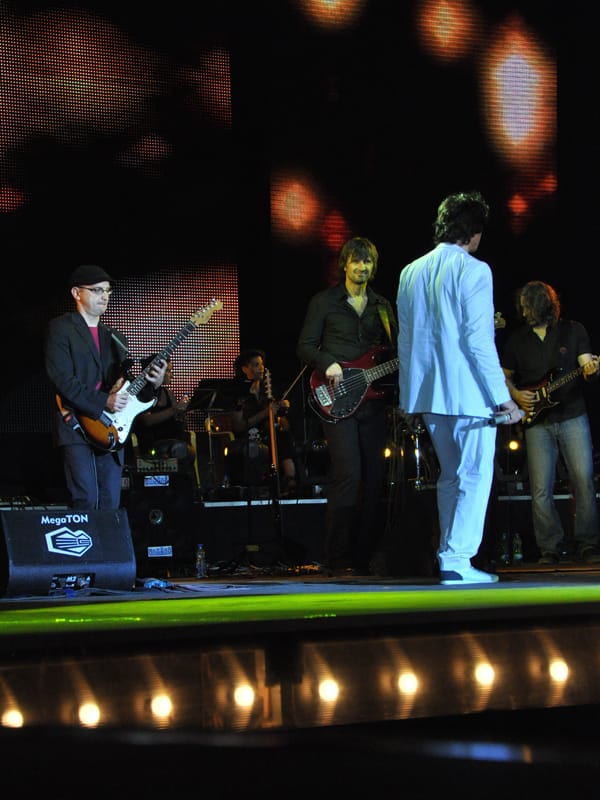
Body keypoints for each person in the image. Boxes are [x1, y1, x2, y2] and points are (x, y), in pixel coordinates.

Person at [396, 190, 521, 585]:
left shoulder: (410, 271)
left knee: (451, 476)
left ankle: (450, 556)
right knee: (473, 475)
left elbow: (406, 340)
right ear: (473, 231)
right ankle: (457, 559)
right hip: (469, 393)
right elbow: (478, 340)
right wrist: (504, 398)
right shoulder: (475, 270)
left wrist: (408, 397)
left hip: (429, 393)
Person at [297, 236, 398, 576]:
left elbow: (395, 350)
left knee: (374, 479)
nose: (362, 267)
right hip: (336, 397)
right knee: (349, 475)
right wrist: (327, 362)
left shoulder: (382, 305)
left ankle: (363, 557)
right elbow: (305, 346)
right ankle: (336, 557)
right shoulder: (324, 302)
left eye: (367, 261)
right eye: (356, 261)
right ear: (345, 264)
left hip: (373, 401)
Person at [44, 264, 167, 510]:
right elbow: (62, 378)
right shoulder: (61, 328)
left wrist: (154, 383)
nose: (104, 296)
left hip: (111, 428)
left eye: (108, 291)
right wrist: (103, 401)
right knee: (86, 498)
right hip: (76, 423)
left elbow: (126, 385)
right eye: (97, 290)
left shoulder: (116, 337)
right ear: (76, 293)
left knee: (111, 499)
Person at [501, 280, 600, 565]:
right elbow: (503, 375)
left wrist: (591, 370)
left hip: (572, 415)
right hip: (536, 422)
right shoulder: (517, 340)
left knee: (582, 479)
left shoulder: (573, 330)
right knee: (541, 487)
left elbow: (586, 365)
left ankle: (588, 543)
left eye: (527, 307)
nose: (523, 312)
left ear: (542, 305)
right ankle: (549, 547)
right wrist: (516, 395)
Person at [229, 348, 298, 495]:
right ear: (245, 369)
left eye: (261, 364)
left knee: (282, 435)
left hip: (269, 434)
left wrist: (282, 411)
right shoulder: (238, 394)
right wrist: (264, 413)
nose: (261, 368)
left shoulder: (268, 391)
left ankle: (290, 479)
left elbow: (283, 423)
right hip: (249, 436)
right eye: (255, 365)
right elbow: (238, 426)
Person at [133, 355, 195, 464]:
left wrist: (181, 413)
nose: (171, 375)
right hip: (152, 442)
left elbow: (176, 418)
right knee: (179, 448)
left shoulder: (168, 393)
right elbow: (146, 421)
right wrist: (174, 409)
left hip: (172, 439)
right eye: (168, 371)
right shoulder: (142, 393)